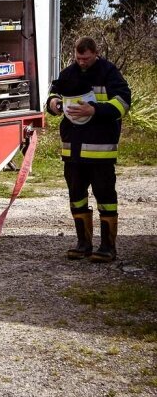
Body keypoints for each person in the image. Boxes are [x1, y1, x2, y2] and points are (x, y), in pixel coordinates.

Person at [46, 36, 131, 263]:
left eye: (86, 58)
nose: (82, 62)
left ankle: (107, 247)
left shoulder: (109, 72)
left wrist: (94, 110)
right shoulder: (69, 73)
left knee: (106, 197)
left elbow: (123, 102)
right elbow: (54, 94)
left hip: (100, 150)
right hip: (72, 151)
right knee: (77, 197)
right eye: (78, 58)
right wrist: (53, 104)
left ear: (95, 53)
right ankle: (83, 244)